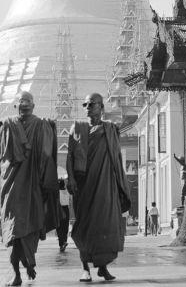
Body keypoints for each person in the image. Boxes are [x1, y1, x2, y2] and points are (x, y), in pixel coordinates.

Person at [0, 91, 60, 287]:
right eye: (21, 102)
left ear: (34, 106)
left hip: (32, 186)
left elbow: (47, 155)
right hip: (10, 186)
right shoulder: (7, 125)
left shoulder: (41, 126)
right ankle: (16, 272)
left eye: (28, 102)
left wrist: (48, 182)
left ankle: (28, 262)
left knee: (28, 230)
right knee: (13, 230)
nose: (25, 104)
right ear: (16, 106)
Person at [67, 92, 130, 283]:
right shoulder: (77, 128)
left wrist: (119, 183)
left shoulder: (111, 129)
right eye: (85, 104)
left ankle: (102, 268)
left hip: (105, 186)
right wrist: (70, 178)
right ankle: (85, 268)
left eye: (92, 104)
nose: (88, 107)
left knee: (104, 225)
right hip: (84, 186)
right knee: (84, 226)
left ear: (101, 107)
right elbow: (69, 156)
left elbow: (117, 159)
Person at [57, 177, 70, 252]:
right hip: (66, 209)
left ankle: (61, 244)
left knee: (59, 227)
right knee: (65, 226)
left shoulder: (57, 192)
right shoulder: (67, 191)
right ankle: (64, 241)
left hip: (59, 210)